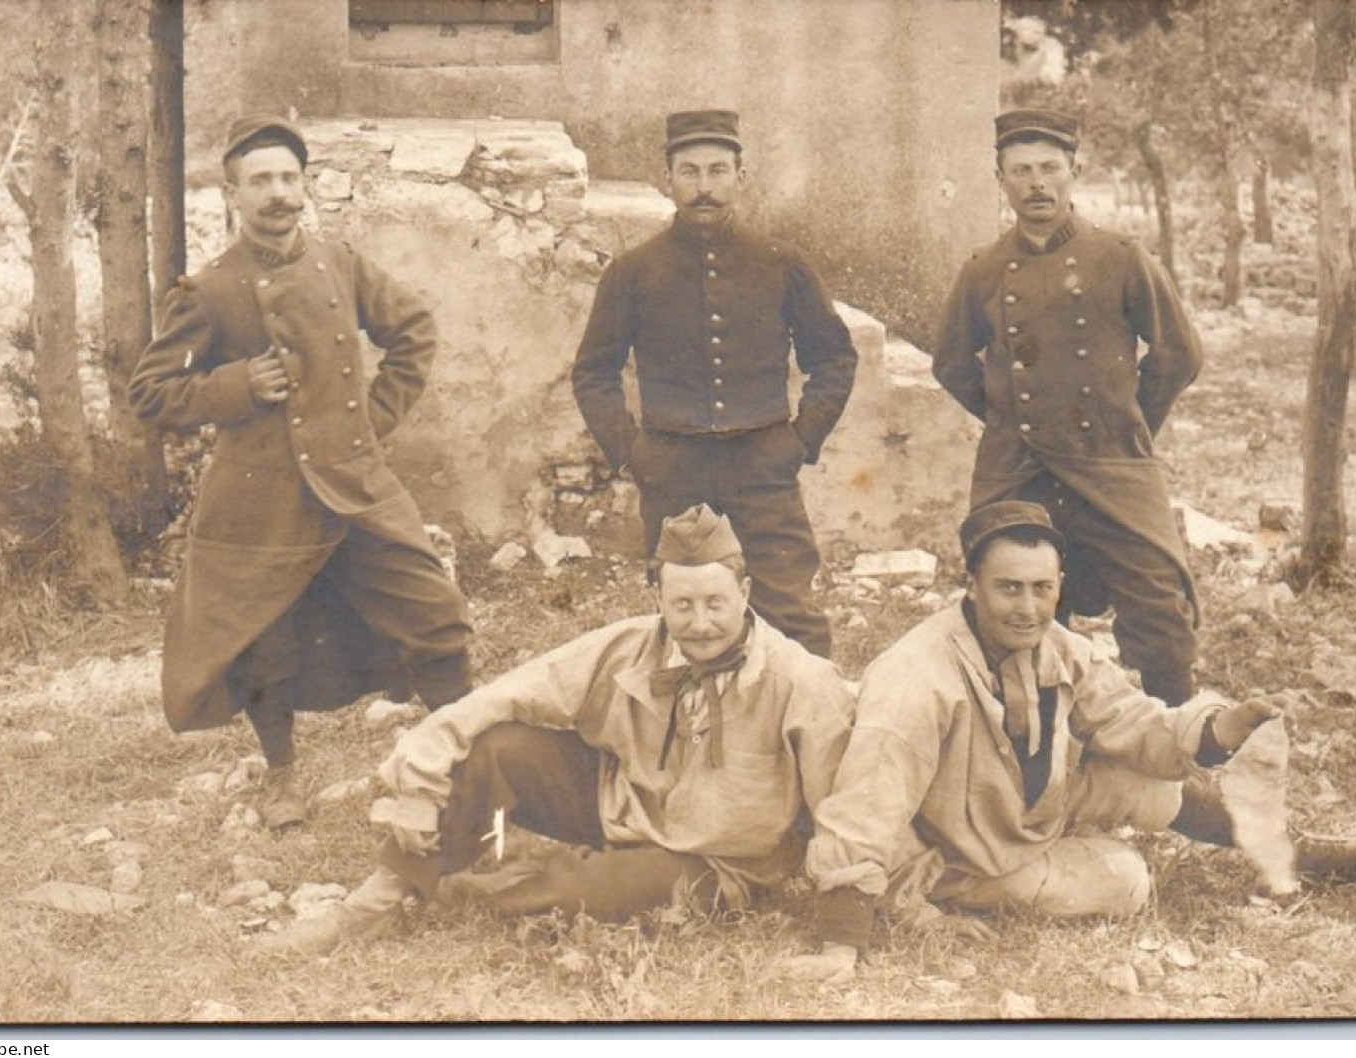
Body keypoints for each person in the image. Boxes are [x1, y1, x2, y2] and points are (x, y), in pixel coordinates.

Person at [781, 502, 1356, 980]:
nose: (1027, 608)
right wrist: (844, 938)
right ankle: (974, 892)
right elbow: (867, 805)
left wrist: (1219, 727)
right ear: (971, 585)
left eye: (1042, 588)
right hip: (947, 849)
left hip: (1020, 806)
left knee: (1150, 782)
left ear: (1058, 587)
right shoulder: (917, 676)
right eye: (1008, 588)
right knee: (1127, 880)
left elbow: (1135, 725)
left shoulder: (1056, 646)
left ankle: (1305, 856)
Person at [255, 504, 855, 955]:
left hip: (719, 860)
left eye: (716, 604)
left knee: (583, 893)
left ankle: (462, 890)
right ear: (660, 598)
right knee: (499, 745)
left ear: (744, 593)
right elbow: (498, 698)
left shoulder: (801, 680)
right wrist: (417, 787)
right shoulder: (628, 647)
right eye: (682, 605)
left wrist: (843, 929)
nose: (699, 624)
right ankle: (376, 903)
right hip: (625, 806)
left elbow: (846, 805)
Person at [130, 115, 475, 830]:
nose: (278, 194)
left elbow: (413, 331)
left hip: (355, 484)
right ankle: (282, 776)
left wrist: (370, 422)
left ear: (305, 184)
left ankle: (468, 759)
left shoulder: (340, 264)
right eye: (260, 181)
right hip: (259, 499)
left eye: (289, 177)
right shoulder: (209, 290)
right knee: (264, 645)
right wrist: (236, 385)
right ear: (232, 196)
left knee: (435, 614)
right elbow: (151, 394)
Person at [931, 108, 1204, 707]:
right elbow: (951, 363)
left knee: (1161, 602)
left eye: (1050, 168)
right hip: (1019, 466)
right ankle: (1028, 742)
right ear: (999, 178)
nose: (1036, 184)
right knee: (1007, 606)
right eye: (1020, 170)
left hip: (1112, 461)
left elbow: (1179, 353)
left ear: (1074, 172)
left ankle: (1177, 747)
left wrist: (1128, 421)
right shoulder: (983, 270)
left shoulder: (1120, 256)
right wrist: (1012, 418)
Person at [572, 109, 858, 659]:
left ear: (740, 176)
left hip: (763, 464)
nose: (705, 188)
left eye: (718, 171)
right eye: (691, 172)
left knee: (791, 615)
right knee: (686, 615)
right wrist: (631, 453)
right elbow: (593, 370)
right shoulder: (634, 272)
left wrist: (800, 441)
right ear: (669, 179)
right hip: (672, 466)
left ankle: (812, 732)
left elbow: (835, 357)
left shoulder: (782, 263)